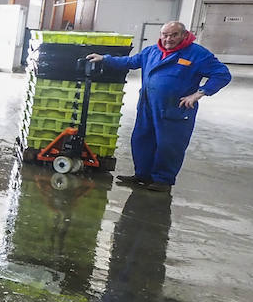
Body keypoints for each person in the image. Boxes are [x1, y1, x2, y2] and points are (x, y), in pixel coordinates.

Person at [86, 21, 230, 193]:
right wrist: (105, 59)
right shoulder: (152, 51)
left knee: (169, 146)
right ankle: (142, 175)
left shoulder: (197, 54)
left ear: (184, 35)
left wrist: (199, 93)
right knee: (141, 140)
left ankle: (163, 180)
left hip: (175, 109)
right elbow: (130, 62)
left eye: (173, 35)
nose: (168, 39)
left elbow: (222, 74)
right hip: (148, 104)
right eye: (165, 35)